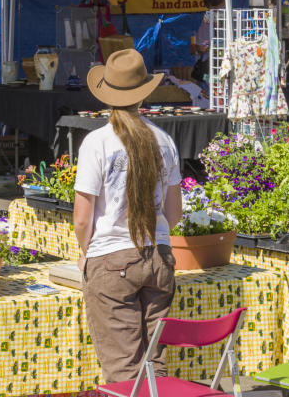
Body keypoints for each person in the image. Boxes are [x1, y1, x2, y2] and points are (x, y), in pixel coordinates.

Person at [73, 48, 183, 384]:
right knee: (156, 366)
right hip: (158, 255)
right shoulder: (163, 140)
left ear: (108, 95)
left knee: (122, 371)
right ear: (142, 94)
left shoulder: (97, 142)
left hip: (110, 258)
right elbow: (174, 212)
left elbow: (82, 217)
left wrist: (83, 251)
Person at [190, 0, 225, 82]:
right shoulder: (233, 13)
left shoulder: (209, 16)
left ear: (207, 2)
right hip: (229, 64)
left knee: (209, 86)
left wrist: (195, 47)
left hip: (211, 67)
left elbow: (202, 46)